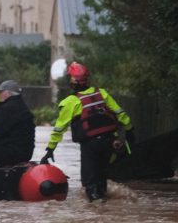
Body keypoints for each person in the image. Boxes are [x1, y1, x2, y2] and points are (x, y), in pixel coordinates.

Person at [40, 62, 134, 202]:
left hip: (91, 146)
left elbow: (59, 129)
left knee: (89, 183)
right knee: (101, 178)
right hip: (110, 143)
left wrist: (50, 149)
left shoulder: (71, 102)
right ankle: (105, 208)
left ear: (72, 82)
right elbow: (121, 114)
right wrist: (130, 130)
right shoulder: (102, 93)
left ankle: (96, 211)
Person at [0, 80, 35, 166]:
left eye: (1, 92)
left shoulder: (8, 109)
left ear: (8, 93)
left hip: (14, 152)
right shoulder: (18, 105)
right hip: (23, 151)